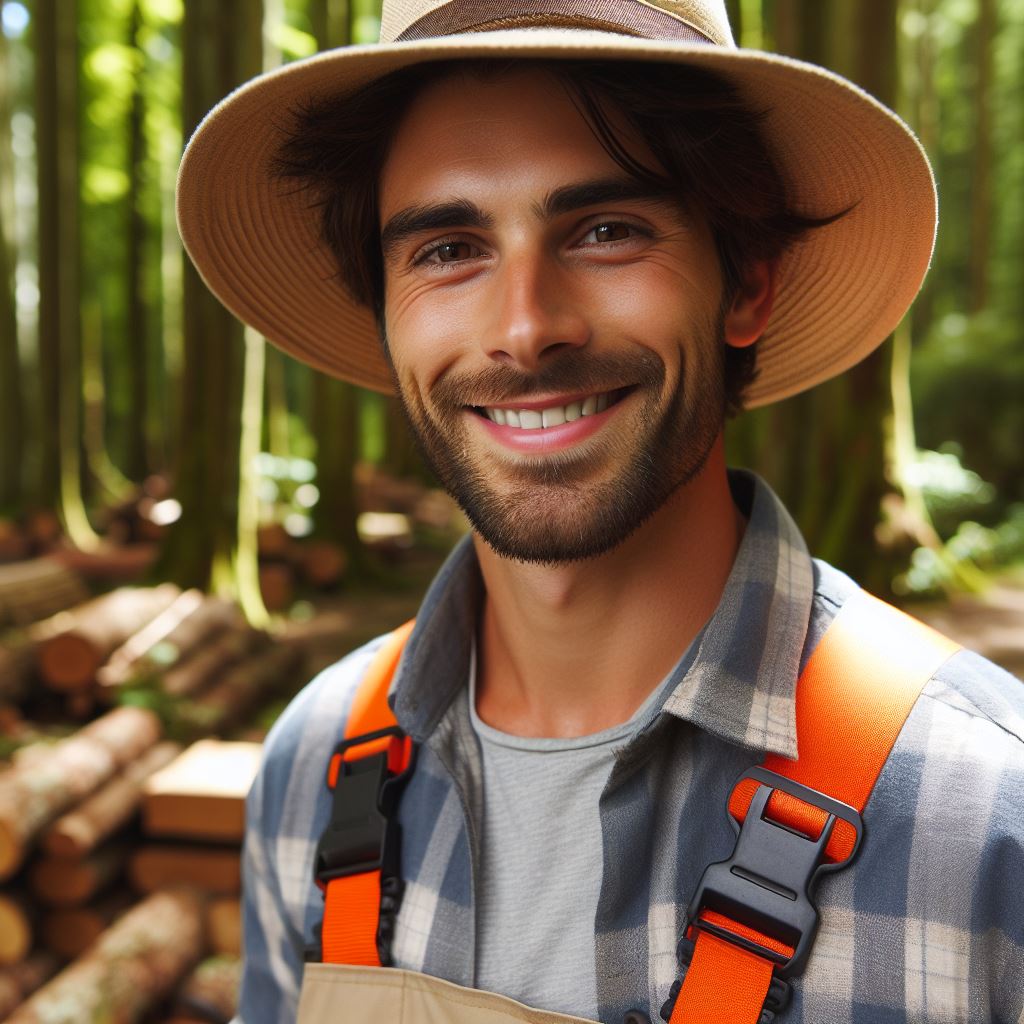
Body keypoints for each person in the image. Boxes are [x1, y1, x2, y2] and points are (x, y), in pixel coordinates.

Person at [176, 2, 1024, 1022]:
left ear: (746, 281)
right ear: (386, 313)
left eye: (607, 230)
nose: (525, 327)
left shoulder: (981, 814)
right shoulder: (312, 768)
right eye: (447, 249)